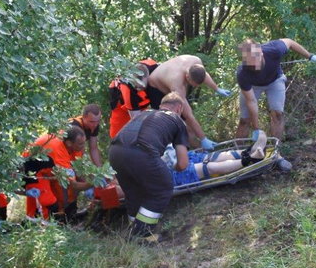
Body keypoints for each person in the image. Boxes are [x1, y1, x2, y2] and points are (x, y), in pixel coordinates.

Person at [108, 92, 190, 242]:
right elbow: (183, 163)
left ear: (161, 105)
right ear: (179, 108)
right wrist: (173, 168)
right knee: (162, 189)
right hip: (141, 152)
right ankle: (140, 235)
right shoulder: (177, 120)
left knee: (133, 193)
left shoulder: (146, 113)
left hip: (115, 152)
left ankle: (134, 227)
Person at [235, 38, 316, 140]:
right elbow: (251, 101)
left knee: (278, 114)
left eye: (256, 61)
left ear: (261, 52)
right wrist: (256, 129)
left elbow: (290, 42)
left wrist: (310, 56)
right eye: (251, 63)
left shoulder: (274, 50)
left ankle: (275, 150)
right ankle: (238, 152)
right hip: (253, 86)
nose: (255, 66)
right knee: (244, 120)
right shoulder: (242, 73)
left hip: (275, 80)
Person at [146, 54, 230, 150]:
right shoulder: (177, 83)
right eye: (193, 84)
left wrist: (217, 88)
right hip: (155, 89)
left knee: (189, 127)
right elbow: (188, 115)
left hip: (168, 82)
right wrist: (203, 138)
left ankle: (194, 150)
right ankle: (171, 153)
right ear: (187, 77)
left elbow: (204, 74)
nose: (195, 87)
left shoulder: (196, 62)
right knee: (169, 123)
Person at [21, 126, 95, 223]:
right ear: (69, 143)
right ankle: (41, 224)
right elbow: (73, 185)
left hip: (48, 169)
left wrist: (86, 182)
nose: (83, 147)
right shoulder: (58, 151)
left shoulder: (70, 143)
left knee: (64, 194)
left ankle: (66, 215)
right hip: (32, 172)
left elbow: (76, 170)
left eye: (84, 143)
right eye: (80, 144)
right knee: (48, 202)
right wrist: (91, 184)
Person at [166, 130, 268, 186]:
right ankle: (250, 158)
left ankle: (249, 151)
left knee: (211, 157)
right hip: (168, 174)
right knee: (209, 167)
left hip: (175, 157)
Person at [108, 61, 154, 138]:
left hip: (143, 100)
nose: (139, 89)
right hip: (121, 103)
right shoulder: (127, 88)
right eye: (136, 87)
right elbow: (136, 119)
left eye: (141, 86)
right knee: (118, 134)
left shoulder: (154, 68)